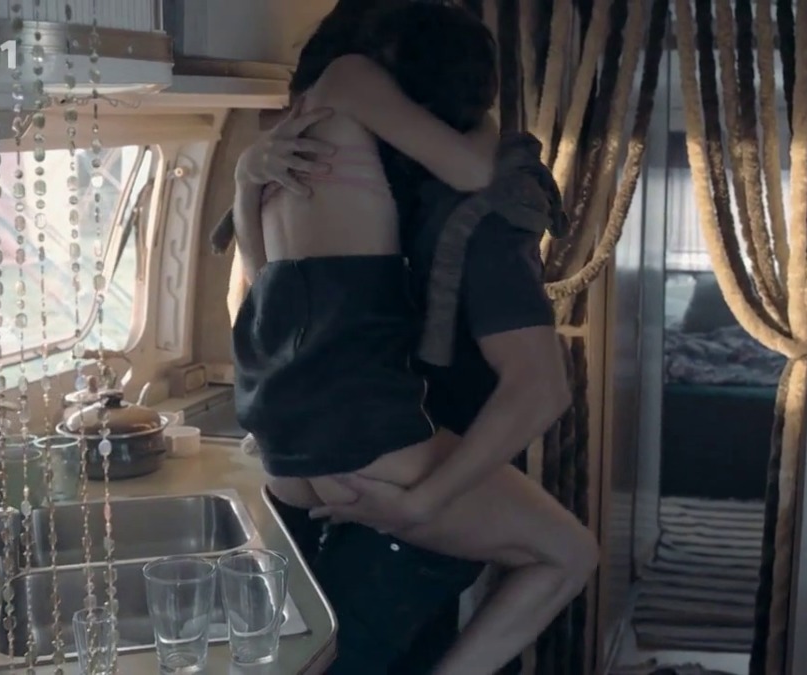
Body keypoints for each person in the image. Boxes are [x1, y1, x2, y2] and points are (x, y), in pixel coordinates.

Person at [221, 3, 599, 674]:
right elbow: (473, 171)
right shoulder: (351, 76)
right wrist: (489, 126)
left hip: (285, 441)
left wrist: (244, 177)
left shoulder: (281, 147)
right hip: (364, 429)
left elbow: (256, 287)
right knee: (569, 554)